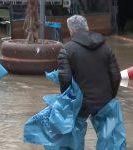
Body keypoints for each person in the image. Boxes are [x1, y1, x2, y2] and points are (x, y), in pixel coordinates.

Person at [57, 15, 126, 149]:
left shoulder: (66, 50)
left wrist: (68, 101)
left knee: (73, 139)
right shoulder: (106, 48)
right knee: (110, 140)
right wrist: (110, 96)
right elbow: (116, 76)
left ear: (71, 31)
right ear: (87, 27)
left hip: (80, 104)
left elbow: (64, 79)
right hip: (104, 101)